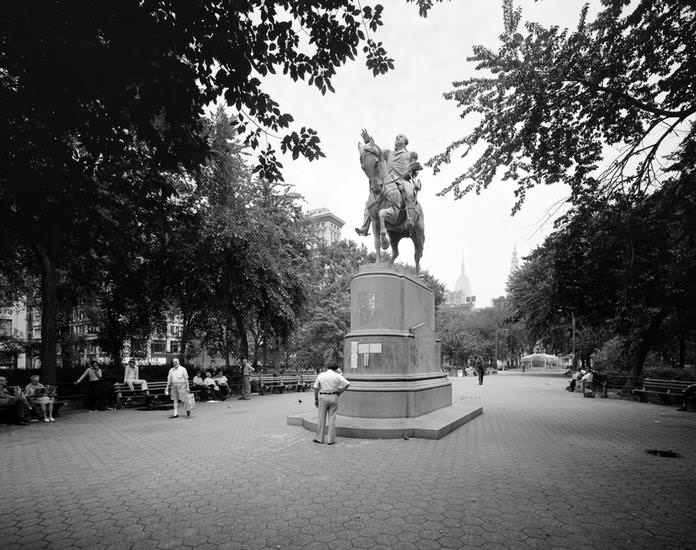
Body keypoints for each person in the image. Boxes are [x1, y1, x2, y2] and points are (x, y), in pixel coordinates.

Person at [355, 130, 423, 237]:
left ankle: (410, 219)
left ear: (405, 142)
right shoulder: (388, 153)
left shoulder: (411, 154)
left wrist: (412, 173)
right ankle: (365, 226)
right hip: (387, 181)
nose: (397, 137)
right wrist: (367, 141)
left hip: (402, 180)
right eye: (396, 136)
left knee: (409, 191)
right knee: (371, 198)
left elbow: (415, 169)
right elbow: (375, 151)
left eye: (400, 136)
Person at [312, 364, 350, 445]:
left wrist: (316, 399)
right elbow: (347, 384)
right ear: (336, 369)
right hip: (333, 396)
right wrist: (340, 391)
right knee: (332, 419)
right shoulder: (337, 375)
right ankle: (331, 440)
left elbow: (315, 388)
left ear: (327, 368)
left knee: (321, 418)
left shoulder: (321, 375)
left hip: (322, 396)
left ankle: (319, 438)